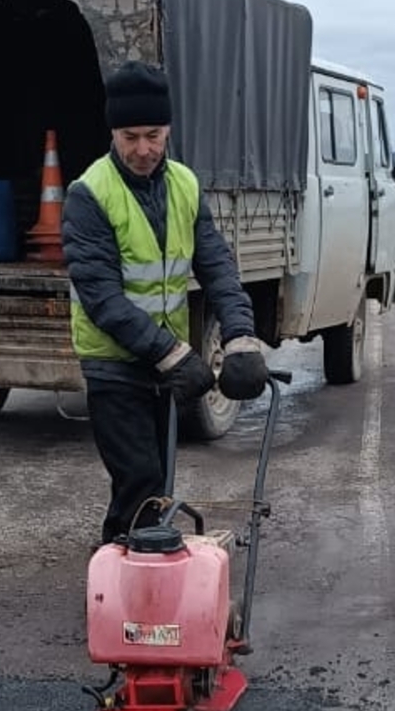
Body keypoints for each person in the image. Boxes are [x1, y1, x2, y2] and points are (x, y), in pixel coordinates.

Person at [63, 62, 268, 546]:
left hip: (159, 364)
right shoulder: (90, 193)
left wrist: (240, 337)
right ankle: (131, 579)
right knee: (140, 478)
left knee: (155, 482)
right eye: (130, 136)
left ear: (168, 129)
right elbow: (101, 296)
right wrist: (173, 354)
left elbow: (217, 265)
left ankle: (128, 559)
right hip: (113, 364)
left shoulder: (185, 185)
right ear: (114, 133)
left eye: (153, 135)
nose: (143, 149)